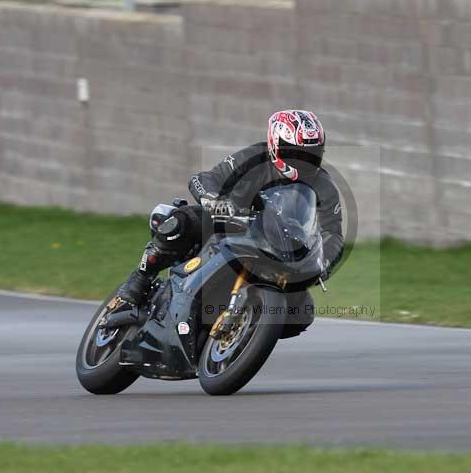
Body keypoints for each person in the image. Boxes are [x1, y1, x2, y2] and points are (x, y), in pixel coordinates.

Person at [115, 110, 344, 332]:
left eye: (311, 154)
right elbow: (205, 179)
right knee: (178, 224)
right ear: (275, 145)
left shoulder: (324, 186)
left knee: (302, 311)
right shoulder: (254, 158)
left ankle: (247, 328)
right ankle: (139, 280)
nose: (303, 161)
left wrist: (321, 265)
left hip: (278, 248)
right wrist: (215, 201)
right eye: (295, 152)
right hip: (228, 224)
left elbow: (333, 233)